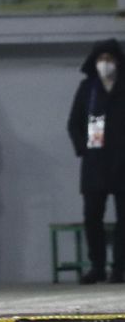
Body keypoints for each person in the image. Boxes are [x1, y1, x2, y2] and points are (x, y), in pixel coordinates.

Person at [67, 38, 125, 284]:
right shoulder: (87, 89)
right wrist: (84, 150)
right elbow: (74, 124)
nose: (105, 64)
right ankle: (98, 266)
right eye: (101, 59)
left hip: (123, 163)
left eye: (110, 59)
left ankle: (119, 268)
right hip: (95, 164)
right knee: (92, 216)